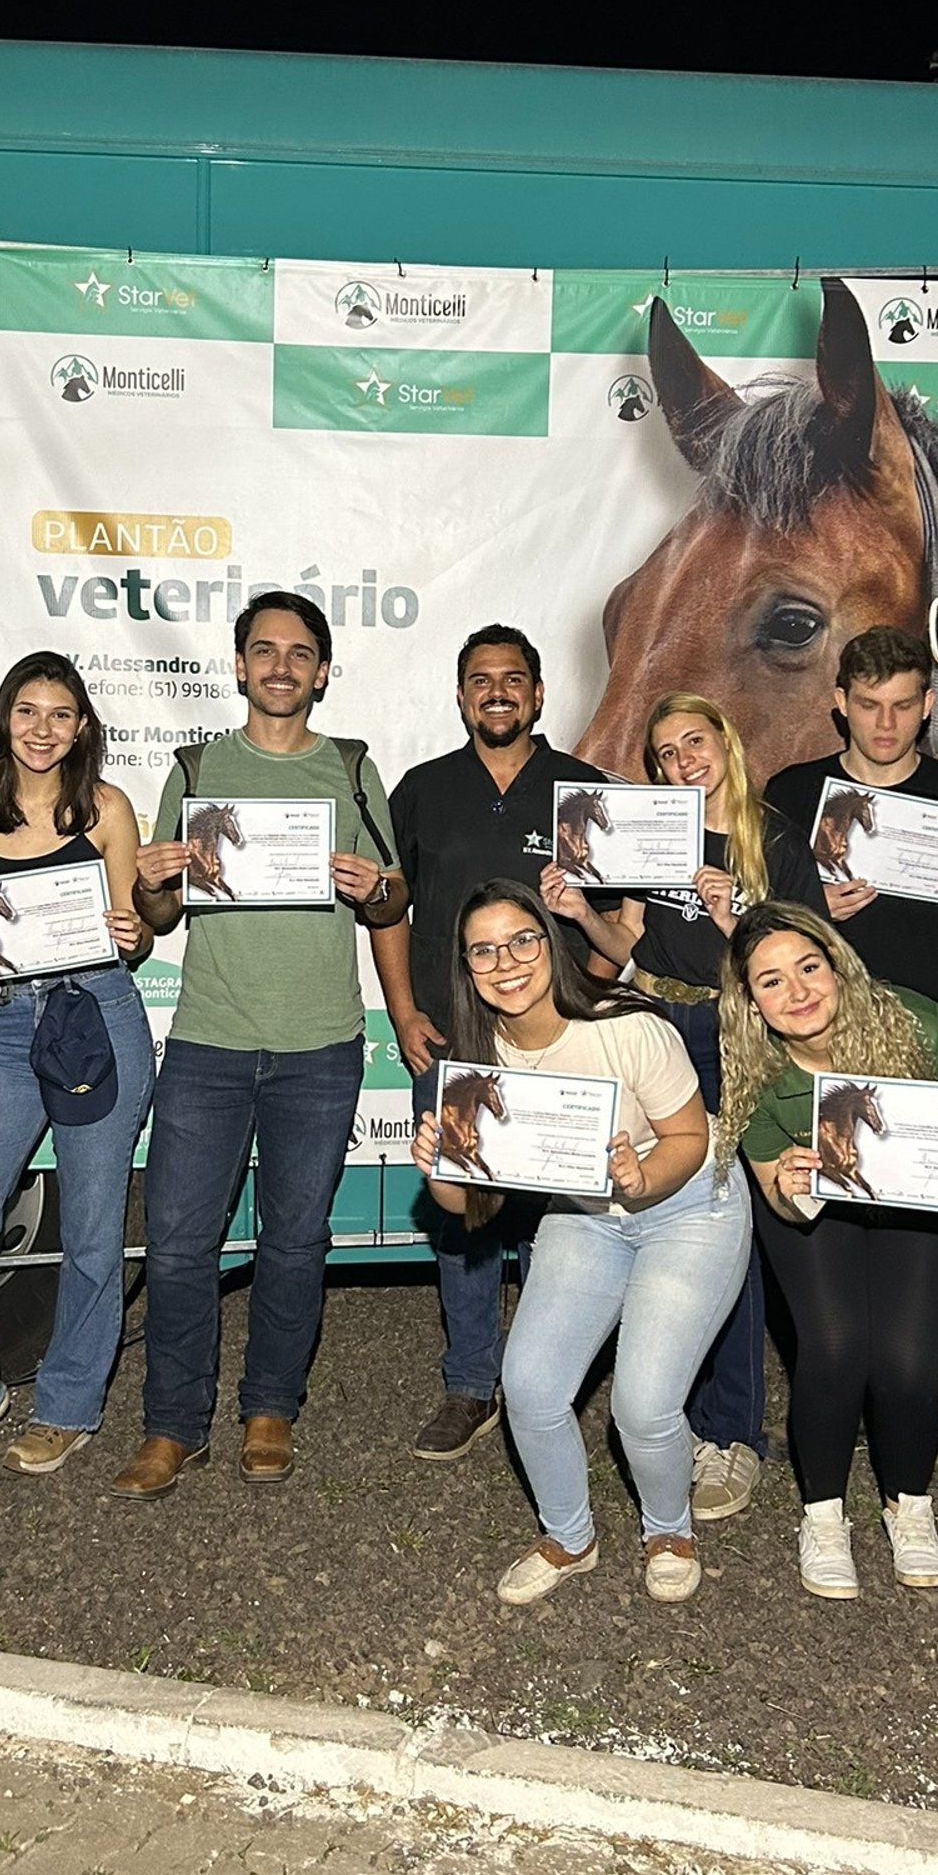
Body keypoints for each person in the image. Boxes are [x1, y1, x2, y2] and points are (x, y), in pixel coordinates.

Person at [114, 591, 405, 1495]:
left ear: (322, 672)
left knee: (294, 1241)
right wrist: (153, 879)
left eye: (299, 653)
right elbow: (159, 917)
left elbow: (395, 901)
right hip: (208, 1041)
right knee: (176, 1243)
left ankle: (270, 1407)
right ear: (238, 666)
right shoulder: (196, 769)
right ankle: (172, 1426)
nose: (281, 666)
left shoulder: (353, 770)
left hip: (320, 1047)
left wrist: (375, 888)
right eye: (264, 651)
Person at [410, 880, 740, 1607]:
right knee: (528, 1385)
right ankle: (569, 1537)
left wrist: (640, 1175)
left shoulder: (626, 1020)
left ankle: (669, 1529)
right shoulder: (476, 1060)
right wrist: (438, 1166)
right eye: (484, 951)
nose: (507, 962)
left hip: (688, 1203)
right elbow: (466, 1204)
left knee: (644, 1403)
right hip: (586, 1213)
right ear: (466, 969)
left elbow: (690, 1136)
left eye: (522, 940)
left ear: (549, 942)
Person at [543, 692, 825, 1525]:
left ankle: (735, 1435)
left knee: (727, 1225)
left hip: (741, 1033)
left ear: (725, 743)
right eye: (665, 753)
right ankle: (693, 1422)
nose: (681, 762)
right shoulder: (654, 828)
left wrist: (738, 921)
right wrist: (578, 913)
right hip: (658, 1026)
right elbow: (627, 948)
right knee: (676, 1220)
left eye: (693, 743)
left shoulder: (771, 837)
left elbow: (803, 961)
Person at [766, 626, 938, 1487]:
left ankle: (926, 1408)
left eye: (904, 704)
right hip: (814, 1051)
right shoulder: (793, 793)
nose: (885, 722)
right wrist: (812, 901)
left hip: (931, 1051)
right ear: (838, 701)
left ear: (927, 705)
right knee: (825, 1236)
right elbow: (763, 930)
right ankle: (834, 1402)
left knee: (931, 1230)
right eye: (868, 705)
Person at [717, 900, 938, 1598]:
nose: (797, 992)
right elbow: (778, 1197)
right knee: (835, 1347)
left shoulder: (921, 1023)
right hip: (823, 1206)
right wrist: (791, 1180)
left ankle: (907, 1503)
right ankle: (823, 1514)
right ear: (751, 1004)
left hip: (922, 1200)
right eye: (771, 982)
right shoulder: (756, 1069)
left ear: (838, 967)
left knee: (910, 1363)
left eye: (809, 967)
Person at [374, 622, 618, 1462]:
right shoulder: (423, 789)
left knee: (571, 1216)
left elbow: (626, 920)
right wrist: (404, 1009)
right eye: (480, 679)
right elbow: (387, 908)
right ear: (461, 695)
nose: (498, 692)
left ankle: (557, 1379)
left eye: (513, 678)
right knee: (466, 1215)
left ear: (539, 694)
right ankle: (471, 1382)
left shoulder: (586, 788)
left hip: (564, 1040)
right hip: (454, 1037)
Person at [0, 653, 157, 1470]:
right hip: (1, 1030)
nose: (42, 730)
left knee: (93, 1228)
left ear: (82, 726)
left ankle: (68, 1404)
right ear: (3, 717)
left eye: (60, 715)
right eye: (28, 712)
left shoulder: (106, 809)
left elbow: (137, 927)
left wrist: (135, 934)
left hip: (97, 1018)